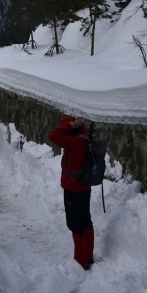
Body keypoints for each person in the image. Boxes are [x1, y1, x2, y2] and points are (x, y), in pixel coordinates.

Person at [49, 115, 94, 270]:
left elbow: (53, 135)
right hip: (84, 187)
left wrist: (68, 126)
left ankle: (80, 260)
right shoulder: (86, 138)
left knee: (76, 224)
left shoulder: (73, 142)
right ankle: (88, 255)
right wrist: (77, 125)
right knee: (86, 221)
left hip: (73, 188)